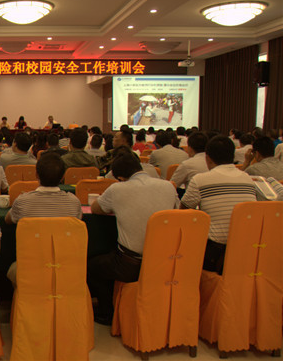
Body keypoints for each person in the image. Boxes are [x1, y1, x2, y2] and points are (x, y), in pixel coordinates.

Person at [89, 152, 179, 325]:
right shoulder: (168, 186)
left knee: (93, 266)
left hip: (131, 265)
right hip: (166, 262)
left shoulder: (117, 189)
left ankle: (108, 312)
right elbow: (177, 210)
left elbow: (96, 209)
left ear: (120, 178)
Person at [181, 135, 256, 274]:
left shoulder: (200, 180)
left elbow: (183, 212)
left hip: (215, 252)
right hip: (246, 248)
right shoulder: (247, 179)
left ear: (208, 158)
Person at [5, 152, 82, 284]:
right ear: (63, 177)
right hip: (65, 264)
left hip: (29, 266)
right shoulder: (73, 202)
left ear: (36, 175)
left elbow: (8, 220)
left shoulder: (23, 201)